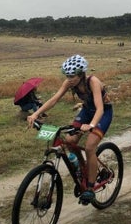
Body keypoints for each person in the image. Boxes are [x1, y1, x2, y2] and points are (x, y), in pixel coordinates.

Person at [27, 55, 113, 205]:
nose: (70, 78)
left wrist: (91, 126)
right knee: (69, 141)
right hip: (87, 111)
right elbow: (54, 99)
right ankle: (83, 168)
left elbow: (99, 108)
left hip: (103, 113)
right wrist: (35, 114)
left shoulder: (92, 81)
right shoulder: (69, 82)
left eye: (72, 75)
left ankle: (90, 189)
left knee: (90, 146)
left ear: (81, 73)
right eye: (67, 75)